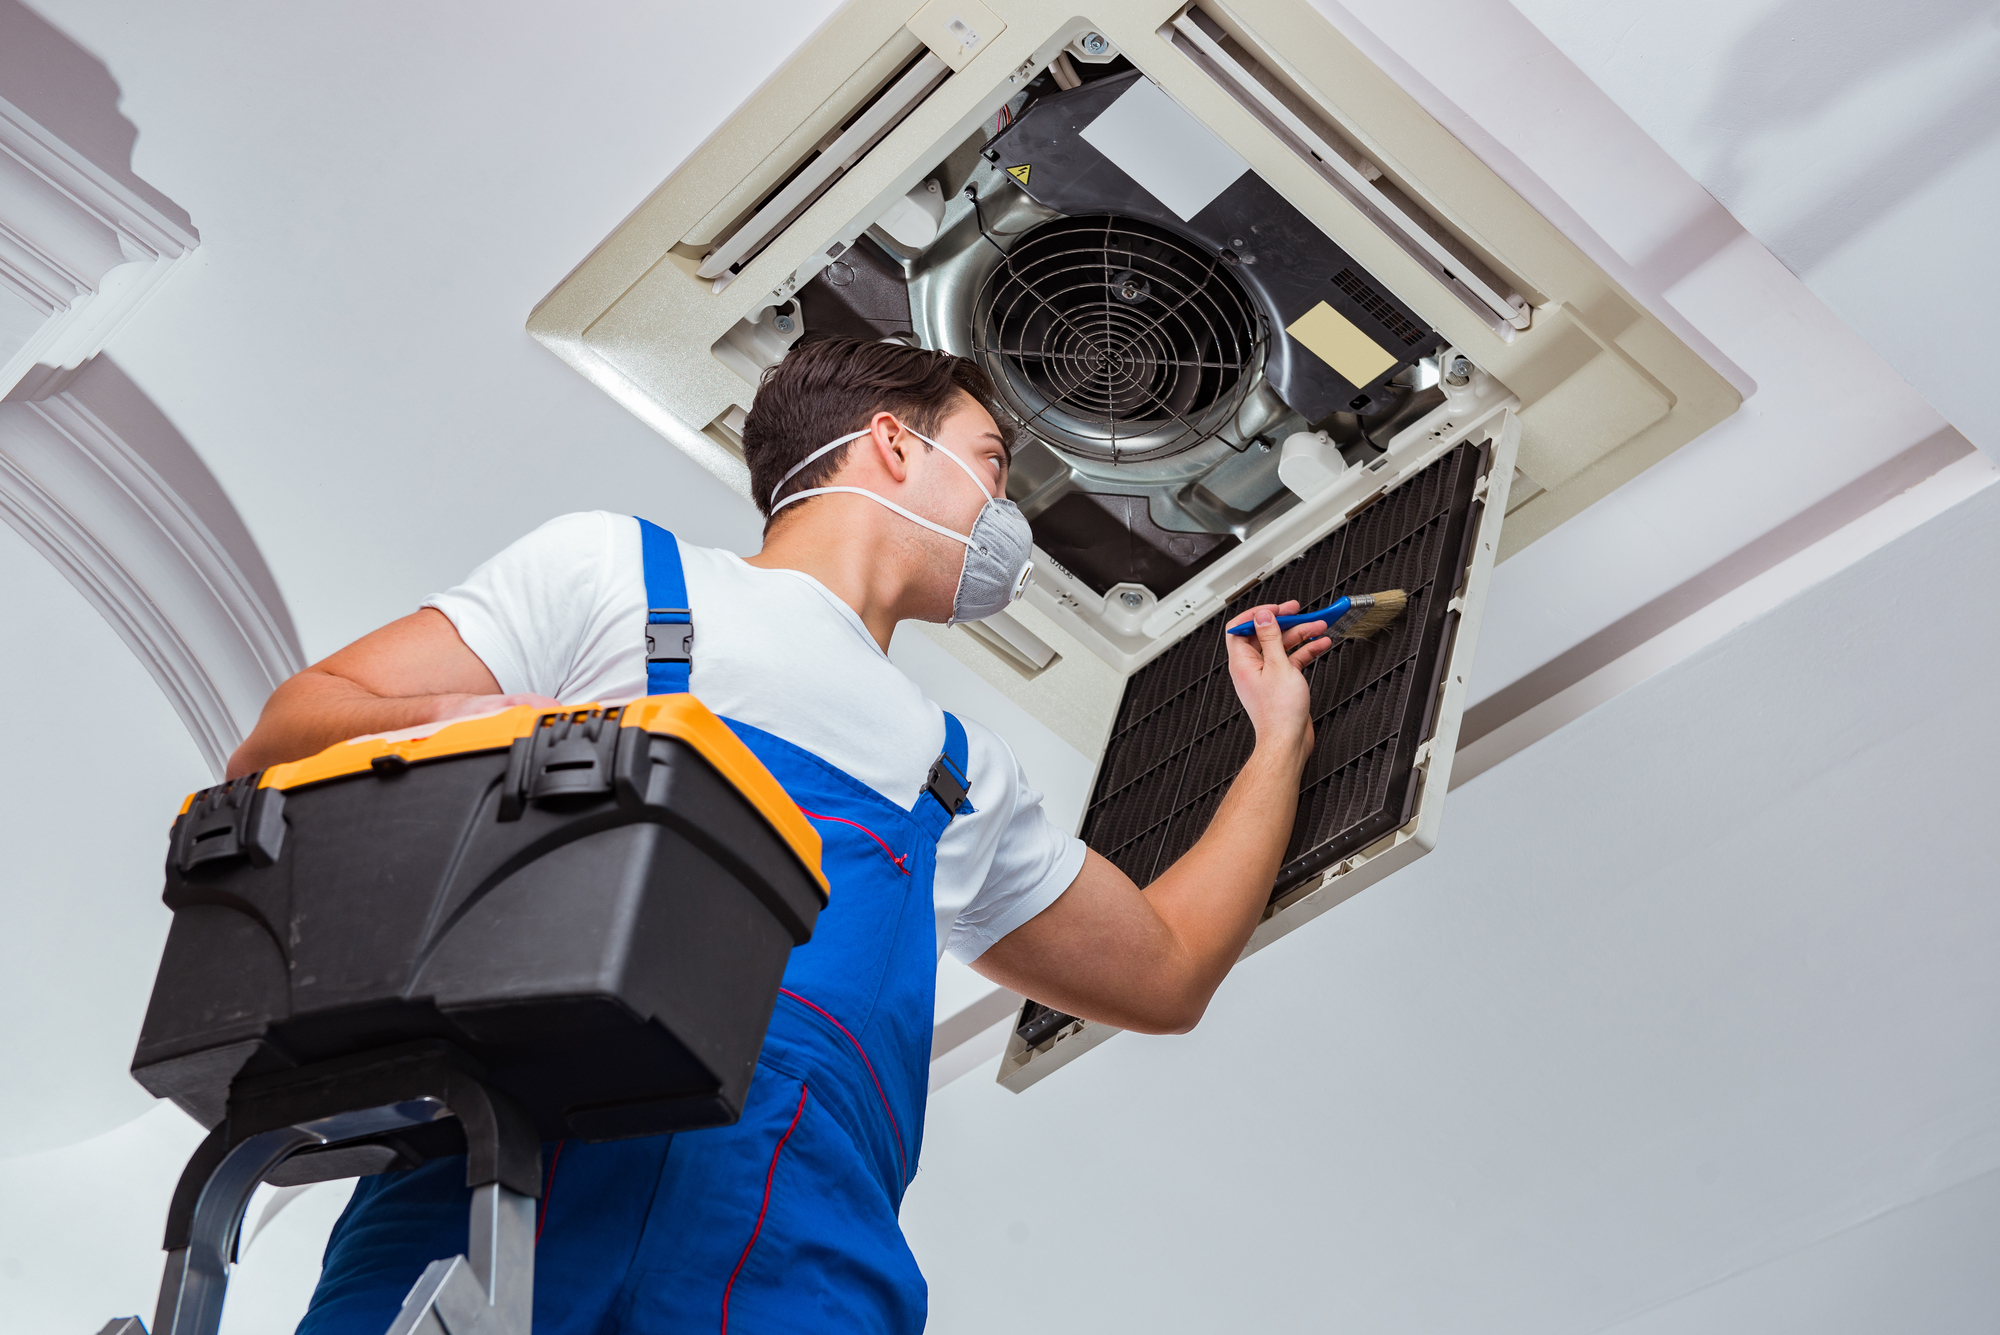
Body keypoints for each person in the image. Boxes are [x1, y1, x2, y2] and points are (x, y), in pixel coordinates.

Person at [235, 337, 1335, 1334]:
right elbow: (288, 740)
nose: (1009, 514)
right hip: (500, 1177)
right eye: (991, 463)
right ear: (892, 445)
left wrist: (1275, 739)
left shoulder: (958, 776)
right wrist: (569, 737)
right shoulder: (620, 576)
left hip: (798, 1252)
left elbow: (1167, 970)